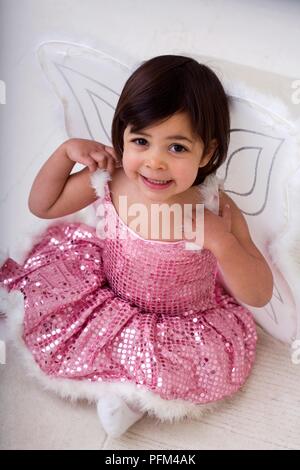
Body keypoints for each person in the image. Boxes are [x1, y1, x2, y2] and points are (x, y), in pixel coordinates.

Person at [0, 55, 273, 439]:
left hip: (179, 321)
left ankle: (131, 400)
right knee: (45, 298)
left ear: (207, 153)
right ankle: (115, 380)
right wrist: (64, 154)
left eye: (177, 148)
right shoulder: (111, 178)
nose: (155, 162)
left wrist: (222, 243)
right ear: (122, 137)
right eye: (141, 141)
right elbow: (43, 206)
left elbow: (259, 293)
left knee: (173, 371)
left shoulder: (213, 209)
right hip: (108, 289)